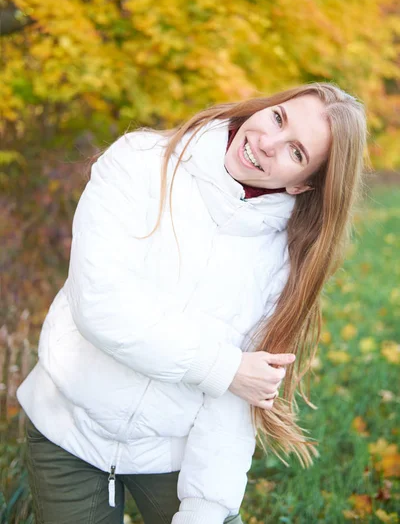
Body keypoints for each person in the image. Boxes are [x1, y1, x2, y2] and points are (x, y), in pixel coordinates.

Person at [17, 82, 367, 524]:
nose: (266, 142)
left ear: (304, 185)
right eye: (278, 118)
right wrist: (226, 369)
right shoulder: (140, 161)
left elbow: (240, 395)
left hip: (177, 456)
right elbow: (101, 305)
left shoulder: (286, 258)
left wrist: (205, 508)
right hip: (66, 430)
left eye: (296, 153)